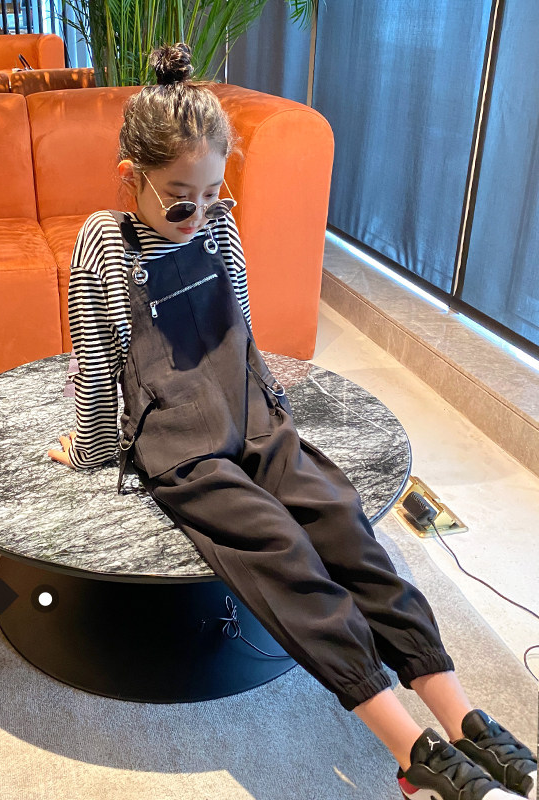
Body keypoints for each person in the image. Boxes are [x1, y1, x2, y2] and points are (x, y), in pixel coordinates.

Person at [47, 41, 537, 800]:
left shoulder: (219, 228)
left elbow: (238, 333)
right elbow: (98, 356)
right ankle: (412, 752)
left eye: (212, 194)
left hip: (251, 416)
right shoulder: (105, 243)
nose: (197, 215)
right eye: (179, 199)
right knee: (280, 549)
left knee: (344, 524)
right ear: (129, 176)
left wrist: (272, 414)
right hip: (180, 445)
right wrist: (89, 449)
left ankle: (463, 715)